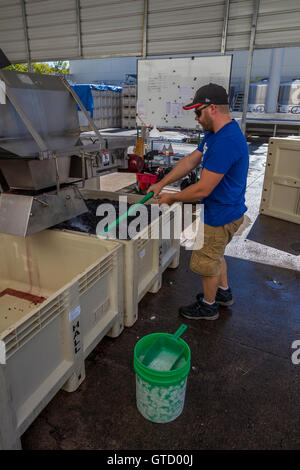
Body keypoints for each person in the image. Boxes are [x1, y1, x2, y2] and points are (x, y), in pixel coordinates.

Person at [147, 83, 249, 321]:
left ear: (212, 108)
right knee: (216, 255)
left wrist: (172, 197)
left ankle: (209, 306)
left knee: (206, 262)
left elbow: (202, 189)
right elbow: (190, 162)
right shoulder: (215, 134)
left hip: (220, 215)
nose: (195, 118)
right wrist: (162, 183)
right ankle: (223, 293)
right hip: (225, 211)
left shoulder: (226, 141)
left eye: (197, 112)